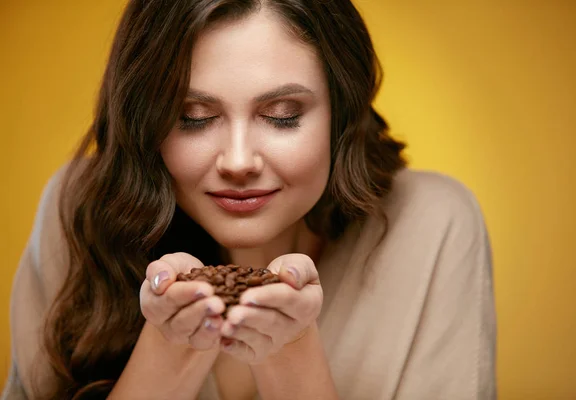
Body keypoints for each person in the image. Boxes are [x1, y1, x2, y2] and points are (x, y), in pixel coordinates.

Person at [2, 0, 497, 399]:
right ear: (144, 122)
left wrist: (291, 351)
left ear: (341, 114)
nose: (238, 161)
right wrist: (168, 351)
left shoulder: (433, 224)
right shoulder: (80, 209)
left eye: (281, 115)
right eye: (193, 116)